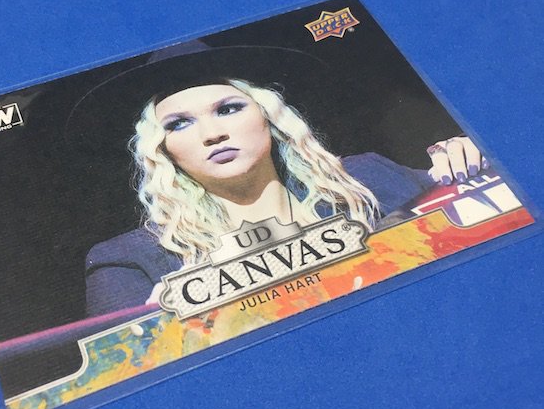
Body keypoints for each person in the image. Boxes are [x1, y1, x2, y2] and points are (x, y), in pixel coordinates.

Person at [84, 75, 485, 317]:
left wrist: (477, 160)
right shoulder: (130, 262)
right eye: (179, 124)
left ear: (269, 118)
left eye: (228, 109)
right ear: (162, 149)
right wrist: (161, 333)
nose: (212, 134)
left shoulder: (366, 180)